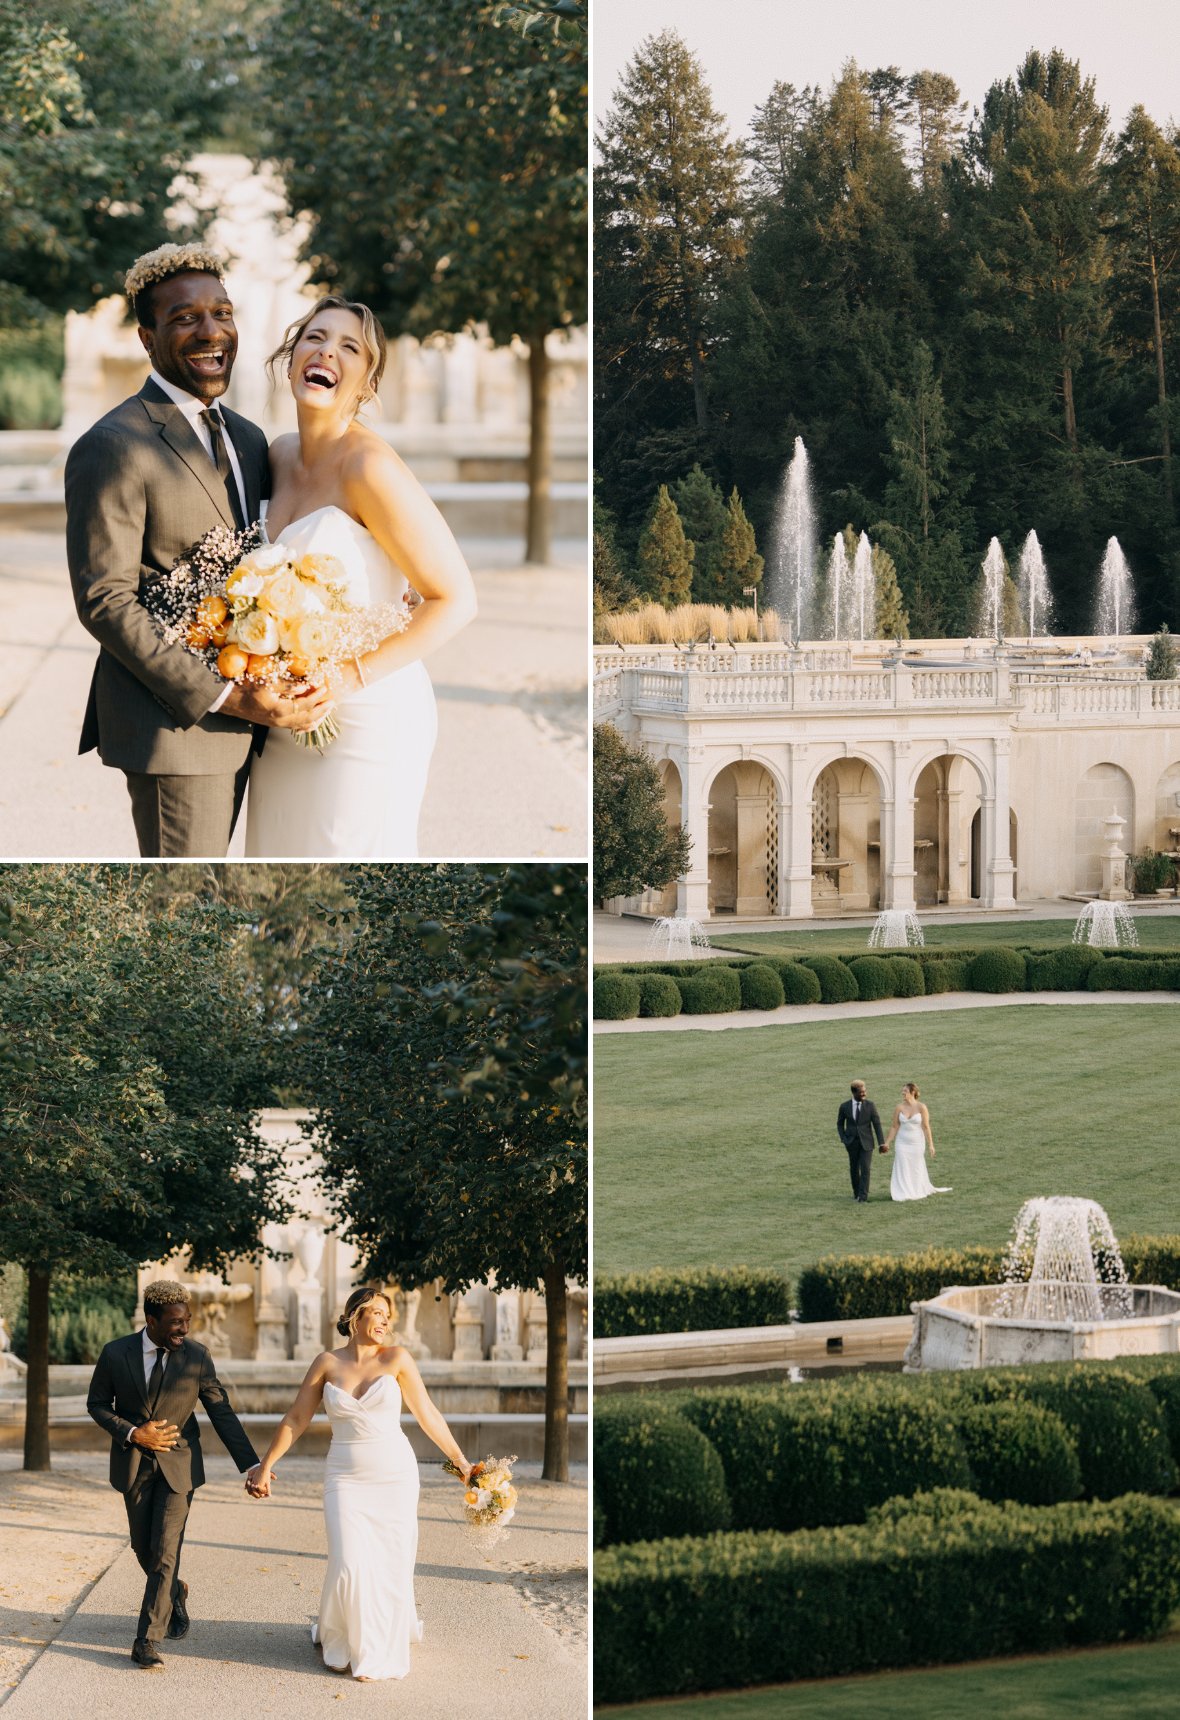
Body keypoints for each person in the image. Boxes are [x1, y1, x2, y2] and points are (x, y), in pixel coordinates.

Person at [66, 242, 333, 857]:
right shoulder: (113, 444)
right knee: (189, 904)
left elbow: (269, 553)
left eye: (223, 313)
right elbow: (105, 601)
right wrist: (227, 695)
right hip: (177, 726)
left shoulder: (247, 437)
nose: (212, 332)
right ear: (147, 336)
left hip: (259, 722)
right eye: (185, 318)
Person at [243, 296, 478, 856]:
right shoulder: (276, 455)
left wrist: (349, 676)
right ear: (291, 354)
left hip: (367, 719)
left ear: (367, 383)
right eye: (315, 338)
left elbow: (455, 599)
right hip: (283, 724)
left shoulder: (370, 467)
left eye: (350, 347)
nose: (327, 351)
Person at [248, 1285, 473, 1682]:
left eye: (389, 1315)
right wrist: (265, 1466)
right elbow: (296, 1418)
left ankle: (374, 1651)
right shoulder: (326, 1362)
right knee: (349, 1562)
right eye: (378, 1312)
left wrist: (461, 1463)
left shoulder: (398, 1359)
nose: (385, 1320)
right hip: (345, 1477)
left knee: (390, 1563)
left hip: (395, 1476)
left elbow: (427, 1414)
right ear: (355, 1316)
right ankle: (341, 1635)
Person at [85, 1279, 263, 1669]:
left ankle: (147, 1640)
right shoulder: (116, 1354)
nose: (184, 1329)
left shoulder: (197, 1356)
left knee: (166, 1551)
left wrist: (252, 1463)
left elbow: (221, 1411)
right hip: (134, 1464)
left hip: (179, 1466)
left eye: (188, 1321)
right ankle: (176, 1591)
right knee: (144, 1550)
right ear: (151, 1319)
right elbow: (96, 1404)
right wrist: (133, 1433)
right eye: (176, 1322)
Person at [883, 1082, 952, 1201]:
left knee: (916, 1166)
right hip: (902, 1142)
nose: (903, 1093)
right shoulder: (899, 1107)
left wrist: (931, 1145)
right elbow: (894, 1126)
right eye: (902, 1091)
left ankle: (916, 1189)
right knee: (902, 1165)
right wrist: (887, 1142)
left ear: (913, 1092)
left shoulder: (921, 1107)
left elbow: (926, 1127)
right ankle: (903, 1191)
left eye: (905, 1091)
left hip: (917, 1143)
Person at [836, 1079, 885, 1203]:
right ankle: (856, 1192)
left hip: (867, 1143)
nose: (864, 1094)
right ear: (854, 1092)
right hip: (851, 1143)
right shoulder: (844, 1106)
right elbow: (840, 1124)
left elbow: (877, 1124)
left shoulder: (870, 1106)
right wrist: (843, 1138)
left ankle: (863, 1197)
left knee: (865, 1168)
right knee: (854, 1168)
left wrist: (881, 1143)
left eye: (865, 1091)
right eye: (861, 1092)